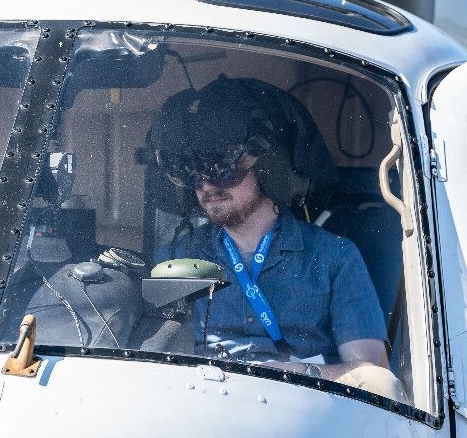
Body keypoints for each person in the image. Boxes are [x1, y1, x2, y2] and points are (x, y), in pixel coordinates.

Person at [151, 75, 394, 386]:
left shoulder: (334, 257)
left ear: (268, 170)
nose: (207, 185)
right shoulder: (176, 257)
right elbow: (156, 361)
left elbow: (374, 375)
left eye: (222, 169)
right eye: (196, 173)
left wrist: (305, 374)